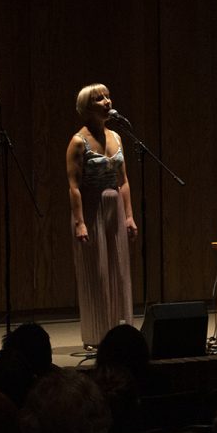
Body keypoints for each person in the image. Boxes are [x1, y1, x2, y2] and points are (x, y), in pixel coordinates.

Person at [66, 84, 137, 348]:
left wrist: (129, 216)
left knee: (118, 269)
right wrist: (80, 222)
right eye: (99, 99)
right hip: (92, 206)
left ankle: (120, 333)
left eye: (107, 96)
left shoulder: (117, 137)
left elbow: (124, 180)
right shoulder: (77, 141)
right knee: (97, 272)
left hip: (114, 206)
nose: (107, 101)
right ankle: (98, 335)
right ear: (87, 107)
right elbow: (73, 185)